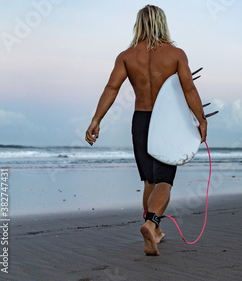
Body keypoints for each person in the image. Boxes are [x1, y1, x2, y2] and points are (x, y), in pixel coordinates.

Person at [85, 5, 207, 256]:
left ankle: (156, 231)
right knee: (164, 179)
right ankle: (151, 224)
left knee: (149, 180)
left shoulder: (127, 56)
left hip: (141, 120)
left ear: (138, 25)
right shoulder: (175, 54)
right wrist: (201, 119)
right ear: (163, 23)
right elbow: (189, 90)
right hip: (167, 122)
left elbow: (111, 88)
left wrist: (96, 119)